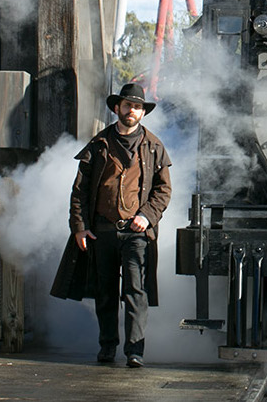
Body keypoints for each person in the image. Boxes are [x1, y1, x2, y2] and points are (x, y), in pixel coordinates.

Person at [51, 83, 172, 368]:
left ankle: (135, 351)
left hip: (136, 232)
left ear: (143, 112)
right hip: (102, 231)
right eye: (128, 105)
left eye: (138, 107)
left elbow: (163, 191)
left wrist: (147, 216)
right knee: (105, 292)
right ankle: (107, 347)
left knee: (134, 292)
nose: (132, 110)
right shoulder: (99, 144)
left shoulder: (154, 146)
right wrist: (79, 227)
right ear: (117, 108)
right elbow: (79, 190)